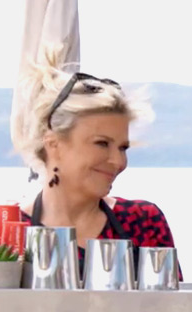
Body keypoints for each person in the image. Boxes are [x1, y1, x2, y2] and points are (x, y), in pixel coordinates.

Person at [12, 45, 177, 269]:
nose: (118, 162)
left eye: (123, 148)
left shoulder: (143, 221)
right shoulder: (7, 230)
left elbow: (173, 294)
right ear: (53, 145)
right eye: (102, 143)